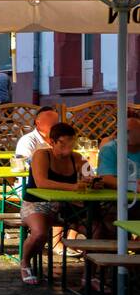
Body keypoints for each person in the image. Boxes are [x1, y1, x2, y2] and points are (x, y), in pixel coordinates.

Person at [19, 122, 90, 285]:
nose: (68, 146)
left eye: (71, 142)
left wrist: (93, 181)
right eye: (63, 143)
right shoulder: (41, 155)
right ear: (52, 142)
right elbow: (42, 182)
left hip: (67, 206)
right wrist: (73, 187)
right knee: (39, 233)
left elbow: (89, 174)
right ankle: (24, 263)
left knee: (98, 230)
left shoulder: (77, 158)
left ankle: (91, 274)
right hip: (37, 203)